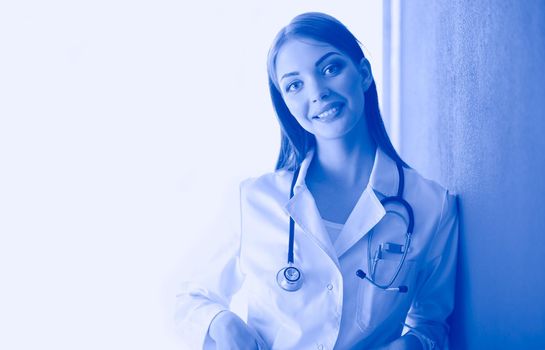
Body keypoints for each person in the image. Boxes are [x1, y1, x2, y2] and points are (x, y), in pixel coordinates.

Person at [175, 12, 459, 350]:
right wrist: (223, 324)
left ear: (364, 74)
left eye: (330, 69)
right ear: (286, 102)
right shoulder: (254, 200)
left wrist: (411, 345)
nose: (318, 92)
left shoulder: (431, 206)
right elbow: (187, 298)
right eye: (295, 84)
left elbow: (431, 323)